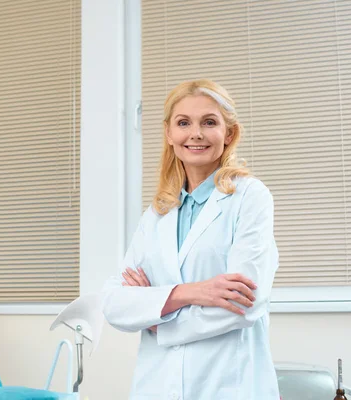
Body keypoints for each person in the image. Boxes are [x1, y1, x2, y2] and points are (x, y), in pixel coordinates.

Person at [102, 79, 280, 399]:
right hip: (157, 385)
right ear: (169, 134)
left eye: (209, 122)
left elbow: (242, 303)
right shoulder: (158, 213)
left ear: (228, 133)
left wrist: (158, 319)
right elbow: (114, 303)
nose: (195, 133)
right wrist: (191, 292)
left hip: (227, 384)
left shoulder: (250, 198)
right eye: (183, 123)